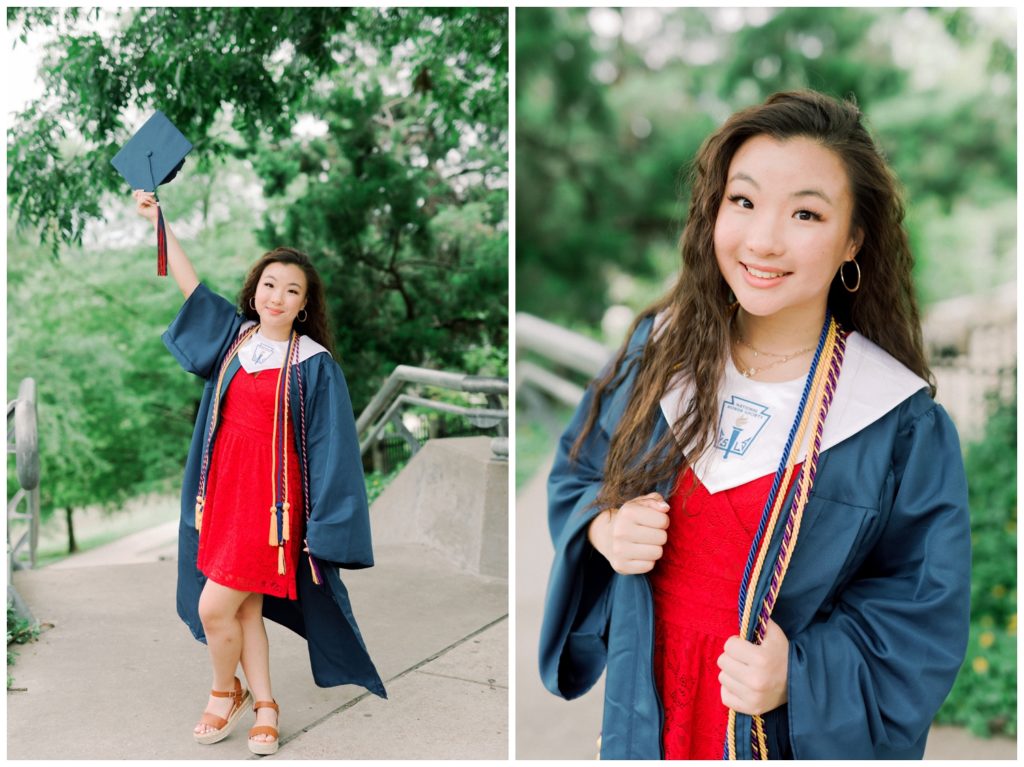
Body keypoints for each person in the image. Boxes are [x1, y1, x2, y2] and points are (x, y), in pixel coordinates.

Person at [538, 90, 970, 760]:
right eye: (743, 201)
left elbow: (921, 614)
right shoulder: (659, 354)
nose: (763, 239)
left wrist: (800, 672)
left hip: (774, 731)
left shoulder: (894, 418)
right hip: (648, 718)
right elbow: (578, 469)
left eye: (805, 212)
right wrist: (604, 526)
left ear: (853, 238)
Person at [134, 190, 386, 755]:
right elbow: (189, 283)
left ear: (304, 305)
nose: (277, 296)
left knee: (212, 605)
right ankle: (266, 704)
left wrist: (325, 528)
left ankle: (225, 692)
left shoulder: (314, 366)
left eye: (291, 290)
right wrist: (159, 220)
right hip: (221, 494)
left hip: (272, 510)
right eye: (269, 285)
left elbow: (333, 452)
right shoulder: (235, 339)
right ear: (255, 290)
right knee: (244, 608)